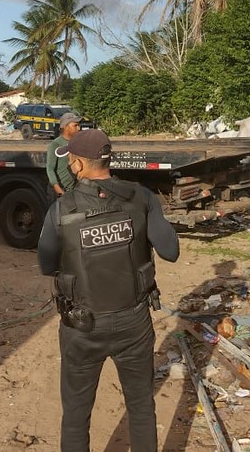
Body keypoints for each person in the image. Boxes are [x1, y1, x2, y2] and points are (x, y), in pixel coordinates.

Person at [38, 129, 180, 452]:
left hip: (82, 328)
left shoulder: (61, 210)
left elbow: (47, 265)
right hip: (134, 323)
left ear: (76, 165)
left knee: (75, 415)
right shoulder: (141, 198)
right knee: (142, 407)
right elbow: (170, 250)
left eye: (72, 162)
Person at [46, 112, 82, 197]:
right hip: (59, 193)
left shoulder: (77, 143)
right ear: (65, 127)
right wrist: (59, 190)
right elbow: (50, 168)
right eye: (75, 125)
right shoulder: (56, 144)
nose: (79, 128)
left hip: (72, 190)